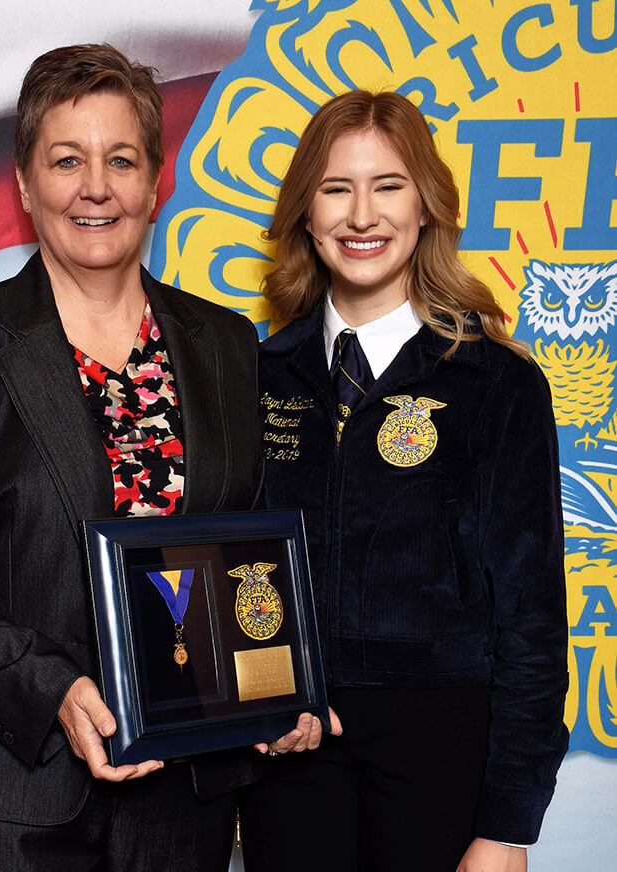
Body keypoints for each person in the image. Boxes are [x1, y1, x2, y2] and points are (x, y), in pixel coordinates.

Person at [0, 43, 318, 872]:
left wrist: (284, 682)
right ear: (27, 185)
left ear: (154, 182)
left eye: (121, 159)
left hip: (184, 785)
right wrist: (53, 690)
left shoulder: (225, 343)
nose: (95, 186)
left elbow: (252, 541)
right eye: (66, 160)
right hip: (1, 784)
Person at [239, 90, 569, 872]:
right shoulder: (253, 376)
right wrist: (247, 706)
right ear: (305, 215)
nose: (362, 215)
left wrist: (507, 826)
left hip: (444, 759)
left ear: (426, 207)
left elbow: (532, 622)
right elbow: (223, 567)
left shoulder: (496, 385)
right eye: (335, 188)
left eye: (388, 185)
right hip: (289, 757)